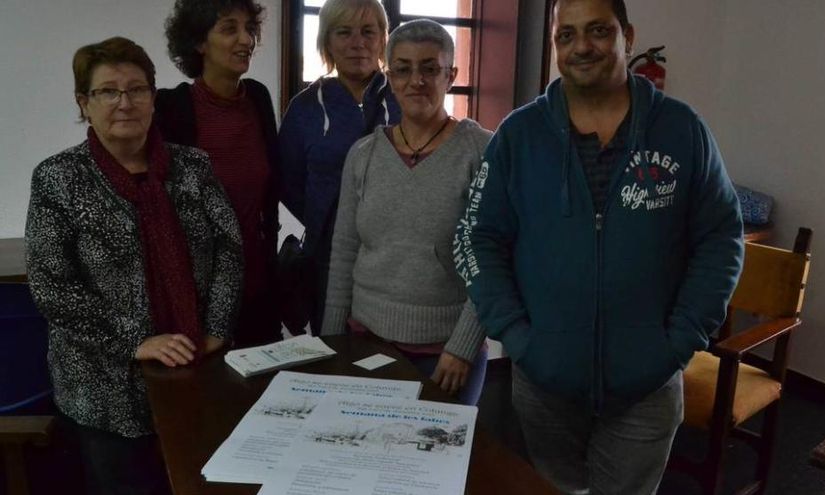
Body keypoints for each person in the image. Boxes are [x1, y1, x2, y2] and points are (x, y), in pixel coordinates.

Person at [454, 0, 744, 492]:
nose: (581, 46)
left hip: (647, 384)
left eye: (597, 31)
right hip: (544, 380)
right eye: (566, 36)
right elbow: (478, 238)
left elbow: (720, 238)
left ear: (626, 35)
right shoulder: (519, 136)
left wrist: (678, 341)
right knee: (554, 487)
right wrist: (521, 339)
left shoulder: (681, 130)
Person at [25, 36, 242, 495]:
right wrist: (136, 340)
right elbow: (51, 288)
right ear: (84, 103)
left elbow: (229, 249)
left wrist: (218, 327)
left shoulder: (193, 167)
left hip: (195, 370)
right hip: (105, 392)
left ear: (152, 97)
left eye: (137, 89)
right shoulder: (58, 179)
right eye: (108, 91)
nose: (124, 102)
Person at [321, 19, 490, 405]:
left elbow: (495, 259)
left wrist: (464, 345)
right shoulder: (363, 155)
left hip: (446, 355)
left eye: (430, 68)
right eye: (403, 68)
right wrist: (332, 344)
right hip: (365, 344)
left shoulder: (481, 152)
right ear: (390, 76)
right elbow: (345, 251)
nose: (417, 80)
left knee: (435, 463)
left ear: (451, 75)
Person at [156, 0, 281, 348]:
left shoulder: (257, 98)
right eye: (229, 29)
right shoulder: (171, 109)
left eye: (250, 29)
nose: (246, 40)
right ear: (199, 42)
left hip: (258, 288)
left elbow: (268, 200)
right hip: (198, 299)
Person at [278, 0, 400, 335]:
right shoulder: (305, 109)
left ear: (382, 39)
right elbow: (289, 185)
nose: (357, 42)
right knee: (334, 354)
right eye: (343, 32)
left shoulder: (403, 98)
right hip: (327, 262)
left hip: (397, 259)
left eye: (367, 32)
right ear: (327, 41)